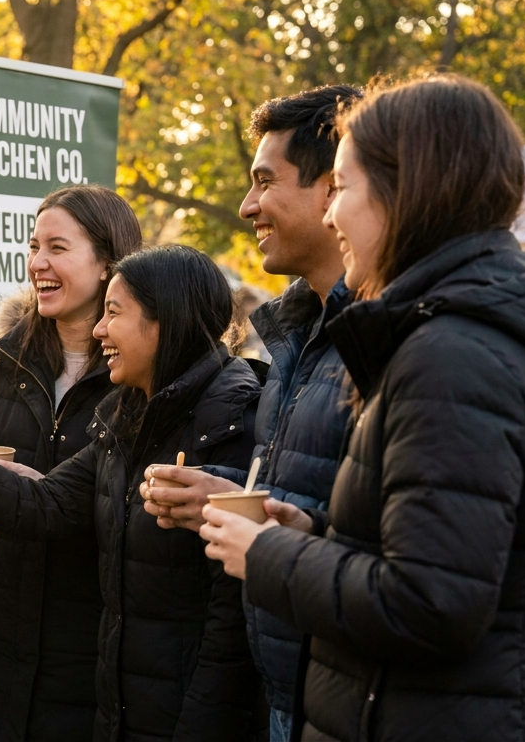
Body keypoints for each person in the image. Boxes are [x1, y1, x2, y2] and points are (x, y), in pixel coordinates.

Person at [200, 74, 525, 741]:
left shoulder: (450, 354)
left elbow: (432, 603)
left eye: (346, 187)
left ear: (408, 188)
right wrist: (318, 533)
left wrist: (270, 554)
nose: (333, 215)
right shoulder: (453, 334)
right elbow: (448, 548)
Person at [0, 245, 268, 741]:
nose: (100, 331)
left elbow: (232, 632)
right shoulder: (127, 418)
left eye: (114, 314)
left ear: (166, 322)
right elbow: (43, 505)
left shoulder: (236, 422)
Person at [139, 84, 362, 742]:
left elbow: (428, 574)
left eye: (265, 182)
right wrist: (235, 497)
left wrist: (271, 540)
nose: (247, 206)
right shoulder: (300, 334)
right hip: (291, 699)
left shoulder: (391, 341)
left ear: (333, 188)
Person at [0, 186, 141, 742]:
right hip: (2, 624)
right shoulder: (8, 356)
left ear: (107, 264)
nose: (37, 264)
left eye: (57, 247)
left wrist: (37, 493)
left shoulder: (142, 371)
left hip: (94, 635)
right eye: (33, 246)